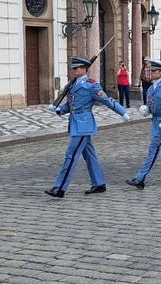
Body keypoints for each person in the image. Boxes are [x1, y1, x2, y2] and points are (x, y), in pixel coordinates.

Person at [45, 57, 130, 198]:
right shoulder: (72, 85)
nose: (73, 70)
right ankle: (99, 183)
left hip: (84, 125)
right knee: (90, 155)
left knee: (70, 155)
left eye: (76, 68)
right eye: (73, 68)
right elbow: (70, 106)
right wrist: (58, 109)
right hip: (76, 123)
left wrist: (123, 113)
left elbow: (107, 100)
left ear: (84, 69)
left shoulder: (91, 86)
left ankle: (59, 188)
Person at [127, 60, 161, 189]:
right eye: (150, 70)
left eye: (154, 71)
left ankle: (140, 178)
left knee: (153, 150)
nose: (151, 73)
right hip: (156, 122)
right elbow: (151, 104)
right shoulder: (151, 88)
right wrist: (146, 109)